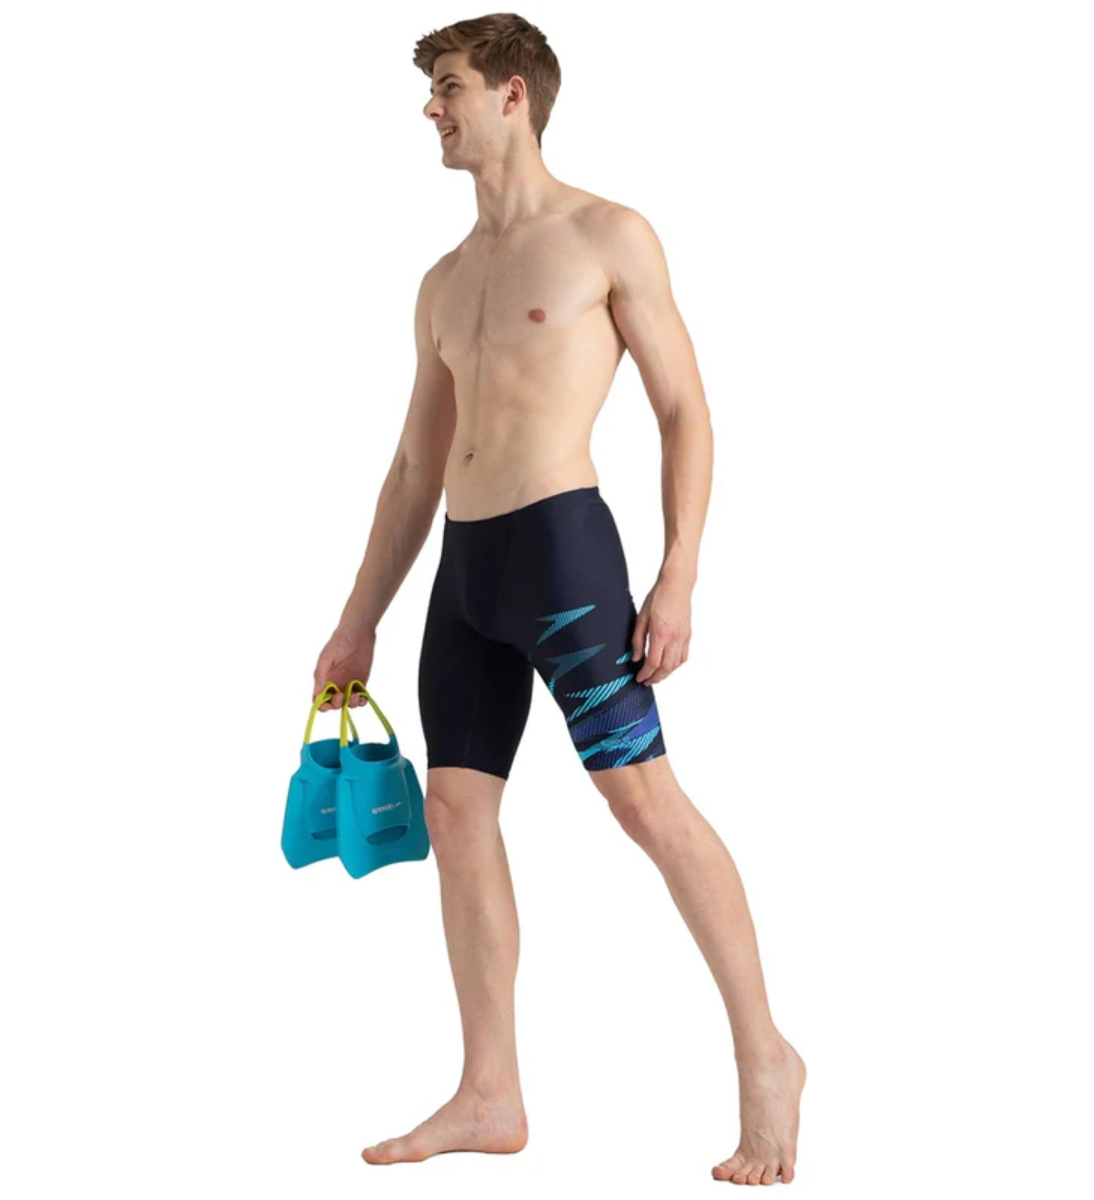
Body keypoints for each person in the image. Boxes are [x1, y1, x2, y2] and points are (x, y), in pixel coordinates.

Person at [312, 13, 805, 1186]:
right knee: (454, 815)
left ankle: (766, 1057)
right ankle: (491, 1092)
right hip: (465, 577)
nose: (432, 109)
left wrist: (680, 572)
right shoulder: (441, 283)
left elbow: (685, 412)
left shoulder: (607, 235)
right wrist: (358, 616)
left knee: (644, 805)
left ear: (514, 95)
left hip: (565, 561)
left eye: (449, 86)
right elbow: (414, 468)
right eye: (433, 90)